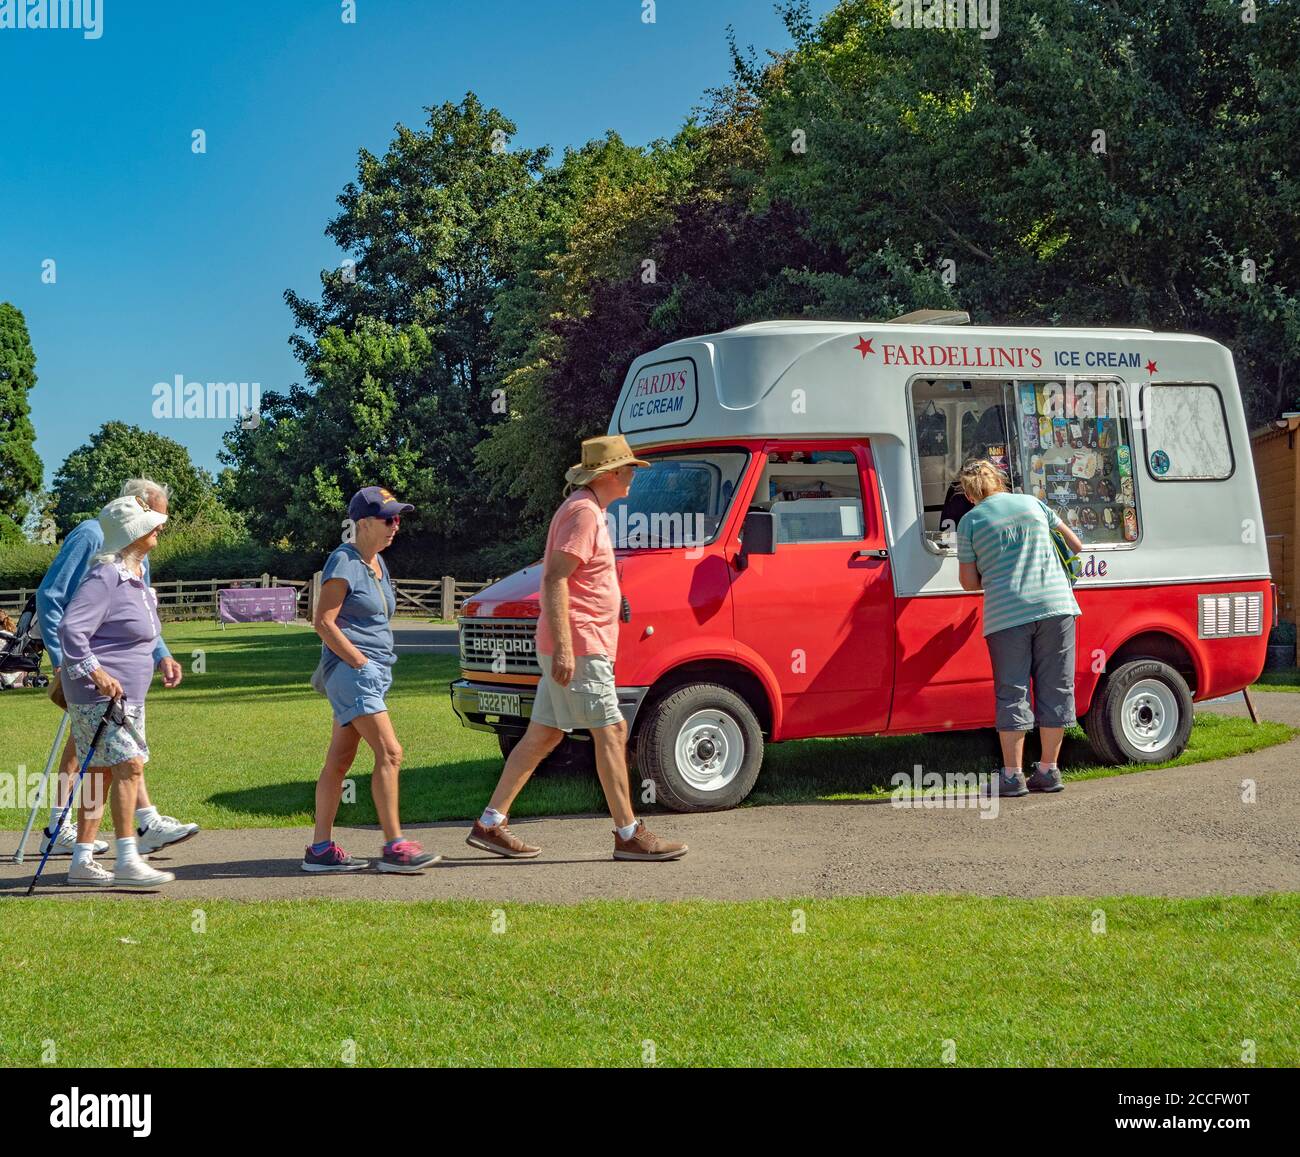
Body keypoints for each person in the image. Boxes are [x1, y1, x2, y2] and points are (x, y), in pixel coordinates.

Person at [465, 435, 689, 862]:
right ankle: (628, 834)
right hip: (580, 646)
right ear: (608, 474)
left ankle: (490, 824)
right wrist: (566, 648)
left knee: (544, 734)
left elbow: (579, 577)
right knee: (611, 731)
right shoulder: (584, 513)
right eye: (627, 471)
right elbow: (554, 578)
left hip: (578, 643)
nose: (632, 478)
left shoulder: (588, 511)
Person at [35, 478, 199, 861]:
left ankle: (129, 824)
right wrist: (64, 661)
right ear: (136, 508)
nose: (162, 525)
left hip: (117, 675)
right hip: (90, 668)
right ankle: (73, 830)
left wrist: (162, 653)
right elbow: (50, 596)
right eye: (157, 516)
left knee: (102, 751)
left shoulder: (139, 550)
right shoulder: (92, 536)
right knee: (100, 752)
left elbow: (141, 612)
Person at [304, 486, 439, 874]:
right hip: (353, 673)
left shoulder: (377, 563)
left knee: (339, 761)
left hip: (372, 674)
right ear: (363, 523)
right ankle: (395, 846)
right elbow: (323, 622)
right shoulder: (343, 561)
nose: (396, 526)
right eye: (388, 519)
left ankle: (320, 850)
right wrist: (360, 663)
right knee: (391, 752)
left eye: (398, 518)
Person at [58, 496, 178, 887]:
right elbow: (71, 630)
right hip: (100, 696)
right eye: (152, 523)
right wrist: (96, 672)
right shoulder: (105, 576)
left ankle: (81, 861)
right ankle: (128, 857)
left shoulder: (134, 575)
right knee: (129, 766)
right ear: (132, 533)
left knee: (99, 774)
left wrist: (162, 657)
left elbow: (143, 632)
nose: (159, 527)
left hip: (125, 696)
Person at [956, 459, 1083, 796]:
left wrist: (995, 566)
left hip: (1006, 614)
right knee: (1057, 687)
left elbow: (969, 582)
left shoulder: (970, 522)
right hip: (1057, 605)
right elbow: (1076, 545)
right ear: (999, 481)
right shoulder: (1032, 502)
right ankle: (1048, 770)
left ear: (969, 495)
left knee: (1013, 691)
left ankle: (1012, 777)